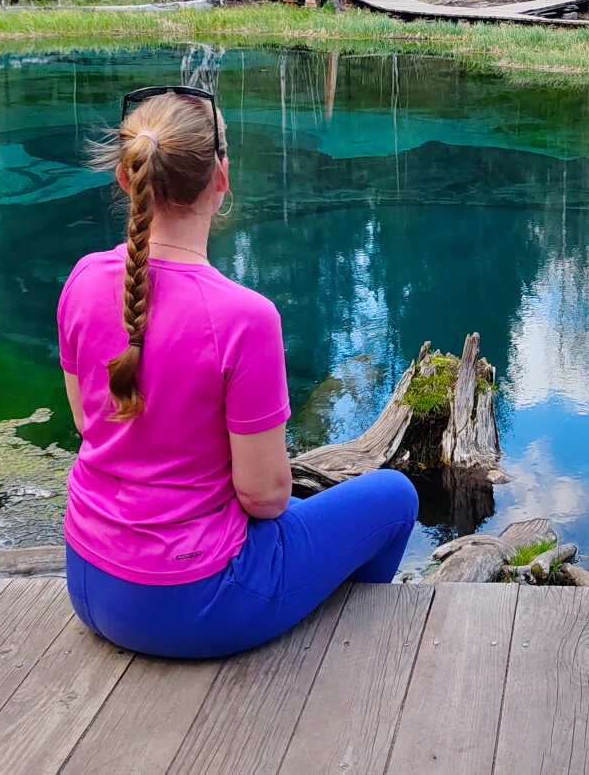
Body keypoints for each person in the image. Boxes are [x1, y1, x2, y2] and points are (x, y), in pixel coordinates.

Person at [59, 86, 417, 659]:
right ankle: (348, 656)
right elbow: (266, 497)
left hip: (87, 577)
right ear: (221, 177)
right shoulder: (244, 318)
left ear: (127, 180)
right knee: (395, 496)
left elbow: (87, 422)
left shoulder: (82, 279)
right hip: (190, 603)